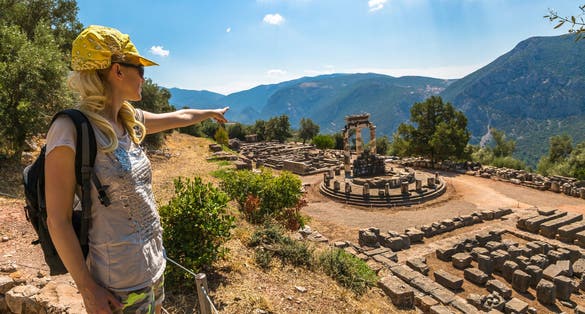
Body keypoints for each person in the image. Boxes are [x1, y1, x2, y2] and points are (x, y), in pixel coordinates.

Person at [44, 25, 228, 314]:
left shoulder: (129, 120)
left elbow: (179, 116)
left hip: (154, 270)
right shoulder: (69, 129)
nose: (144, 76)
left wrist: (209, 112)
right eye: (140, 68)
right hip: (117, 285)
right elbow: (58, 220)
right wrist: (87, 288)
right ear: (117, 71)